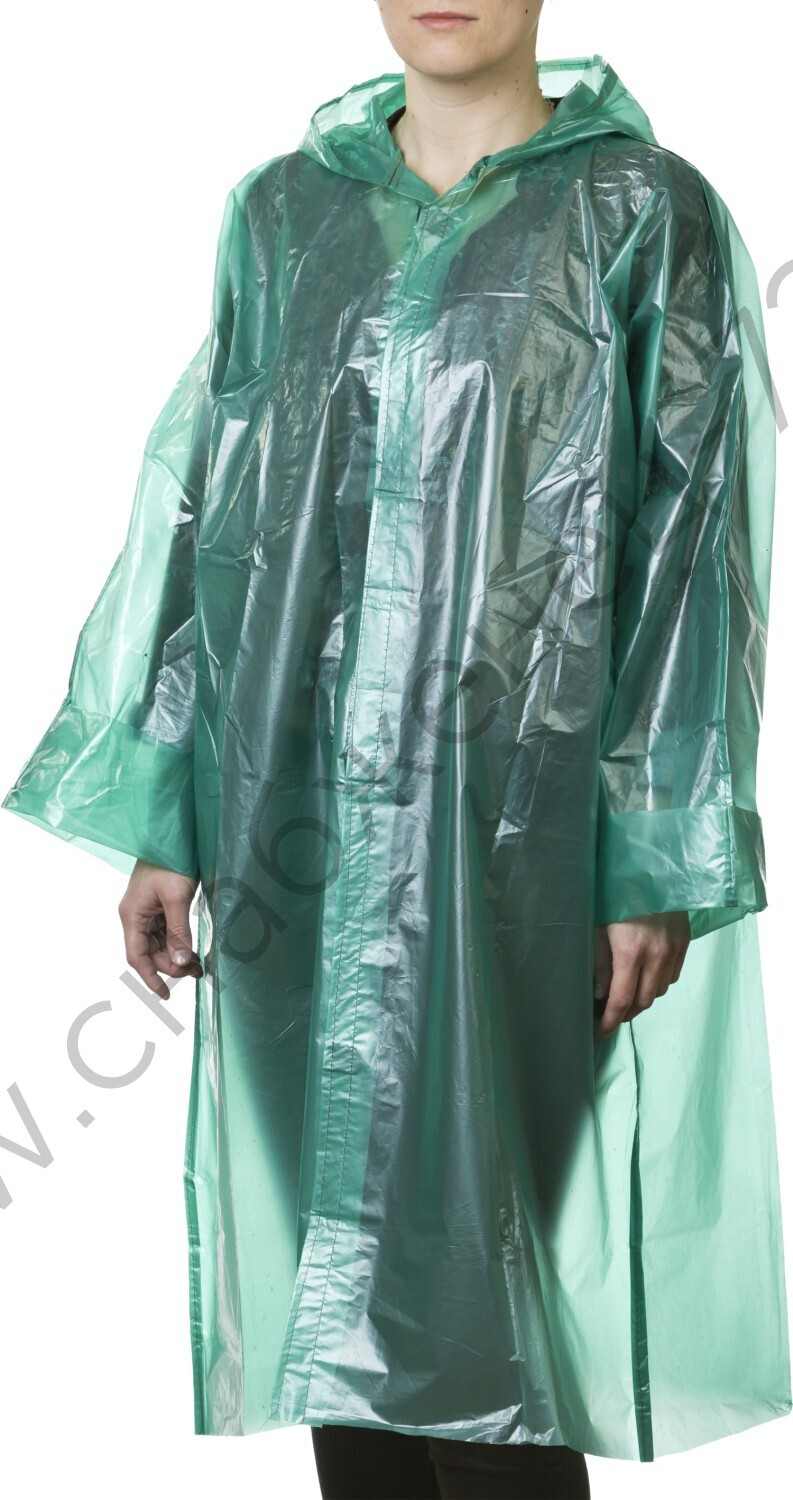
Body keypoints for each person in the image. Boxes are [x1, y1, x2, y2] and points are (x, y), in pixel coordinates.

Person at [3, 2, 790, 1498]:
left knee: (485, 1313)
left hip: (519, 839)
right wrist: (167, 807)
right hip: (288, 826)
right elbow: (211, 509)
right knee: (339, 1291)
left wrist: (651, 845)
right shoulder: (282, 215)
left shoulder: (640, 211)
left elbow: (691, 546)